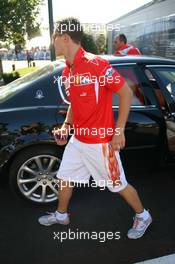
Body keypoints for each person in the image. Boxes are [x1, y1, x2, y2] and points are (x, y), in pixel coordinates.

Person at [38, 18, 152, 239]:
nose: (53, 44)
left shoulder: (96, 64)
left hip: (101, 144)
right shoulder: (68, 71)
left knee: (118, 184)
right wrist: (66, 126)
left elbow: (126, 93)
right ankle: (61, 215)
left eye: (54, 38)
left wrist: (118, 131)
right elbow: (74, 103)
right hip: (78, 141)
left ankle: (143, 215)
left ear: (65, 38)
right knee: (64, 178)